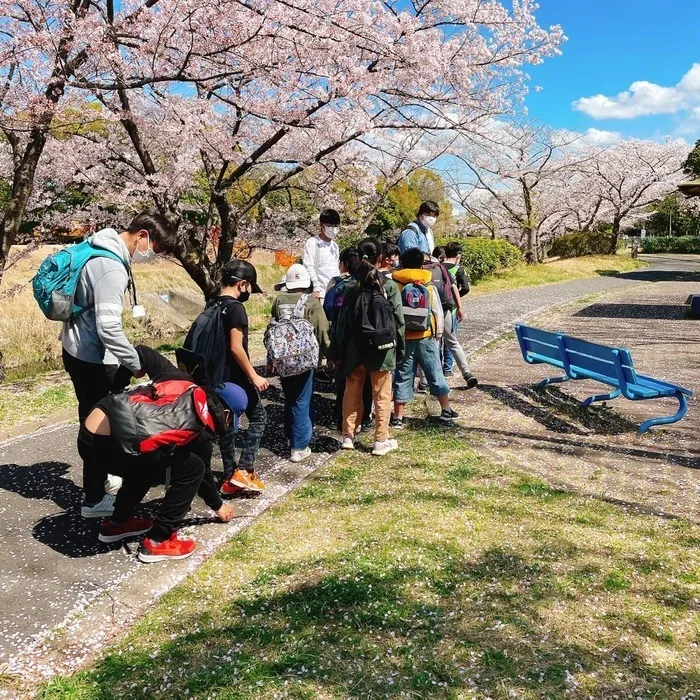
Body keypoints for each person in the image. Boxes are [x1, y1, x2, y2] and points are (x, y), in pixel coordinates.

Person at [78, 345, 245, 562]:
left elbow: (140, 351)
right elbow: (201, 477)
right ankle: (160, 540)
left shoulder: (180, 378)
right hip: (114, 447)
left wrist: (118, 386)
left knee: (148, 460)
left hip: (88, 437)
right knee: (192, 468)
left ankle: (117, 523)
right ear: (225, 414)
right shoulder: (202, 429)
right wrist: (218, 506)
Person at [60, 212, 176, 519]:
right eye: (156, 248)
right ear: (142, 235)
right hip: (92, 358)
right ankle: (94, 499)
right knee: (98, 426)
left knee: (94, 418)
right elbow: (108, 328)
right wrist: (137, 362)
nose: (153, 255)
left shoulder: (99, 247)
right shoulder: (111, 267)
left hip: (76, 347)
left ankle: (101, 480)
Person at [331, 238, 405, 456]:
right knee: (381, 394)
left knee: (351, 390)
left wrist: (338, 350)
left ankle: (348, 436)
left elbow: (342, 322)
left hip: (355, 349)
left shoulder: (350, 286)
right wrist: (399, 349)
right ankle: (380, 440)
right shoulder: (388, 286)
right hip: (382, 349)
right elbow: (399, 321)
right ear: (380, 259)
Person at [211, 260, 269, 496]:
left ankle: (229, 477)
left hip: (215, 377)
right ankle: (244, 470)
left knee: (227, 426)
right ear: (242, 284)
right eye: (249, 288)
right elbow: (236, 348)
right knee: (259, 417)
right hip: (235, 377)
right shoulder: (236, 308)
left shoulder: (212, 303)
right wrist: (254, 375)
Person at [392, 247, 459, 427]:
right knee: (435, 372)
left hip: (404, 338)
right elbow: (436, 311)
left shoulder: (396, 284)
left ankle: (398, 417)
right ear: (422, 264)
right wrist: (437, 336)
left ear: (402, 263)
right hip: (426, 336)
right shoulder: (428, 285)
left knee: (403, 375)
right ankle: (445, 409)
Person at [270, 264, 330, 463]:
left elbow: (273, 327)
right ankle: (299, 446)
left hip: (283, 358)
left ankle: (290, 435)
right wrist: (329, 355)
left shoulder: (279, 300)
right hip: (304, 358)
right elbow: (322, 330)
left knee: (290, 397)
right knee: (302, 399)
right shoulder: (311, 302)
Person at [325, 248, 373, 432]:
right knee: (366, 380)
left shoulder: (337, 283)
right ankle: (365, 418)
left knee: (343, 380)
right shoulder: (367, 282)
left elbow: (328, 309)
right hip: (366, 337)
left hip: (342, 337)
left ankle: (339, 417)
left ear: (343, 264)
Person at [423, 250, 478, 389]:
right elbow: (454, 287)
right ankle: (467, 373)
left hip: (428, 310)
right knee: (452, 341)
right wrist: (459, 307)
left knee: (429, 343)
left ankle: (425, 381)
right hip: (446, 308)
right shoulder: (440, 268)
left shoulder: (419, 269)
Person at [442, 242, 472, 376]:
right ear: (458, 255)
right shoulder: (458, 269)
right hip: (452, 308)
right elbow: (465, 288)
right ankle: (448, 368)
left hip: (438, 306)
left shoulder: (438, 267)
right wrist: (456, 298)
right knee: (451, 339)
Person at [302, 208, 341, 301]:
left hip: (333, 292)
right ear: (322, 225)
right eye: (329, 225)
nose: (333, 229)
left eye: (335, 226)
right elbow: (308, 266)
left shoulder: (335, 246)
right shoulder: (313, 243)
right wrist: (316, 288)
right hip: (319, 294)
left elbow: (336, 269)